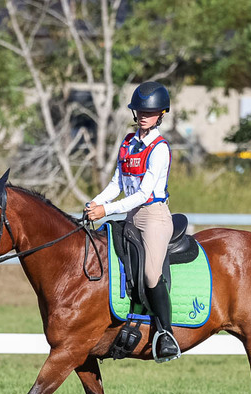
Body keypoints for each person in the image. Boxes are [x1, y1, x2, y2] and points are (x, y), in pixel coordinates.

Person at [85, 81, 181, 361]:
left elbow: (142, 194)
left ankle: (166, 334)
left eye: (149, 112)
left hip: (153, 217)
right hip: (129, 215)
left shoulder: (160, 149)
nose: (142, 115)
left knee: (151, 274)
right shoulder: (128, 142)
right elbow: (117, 183)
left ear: (161, 114)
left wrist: (108, 210)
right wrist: (97, 202)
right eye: (139, 111)